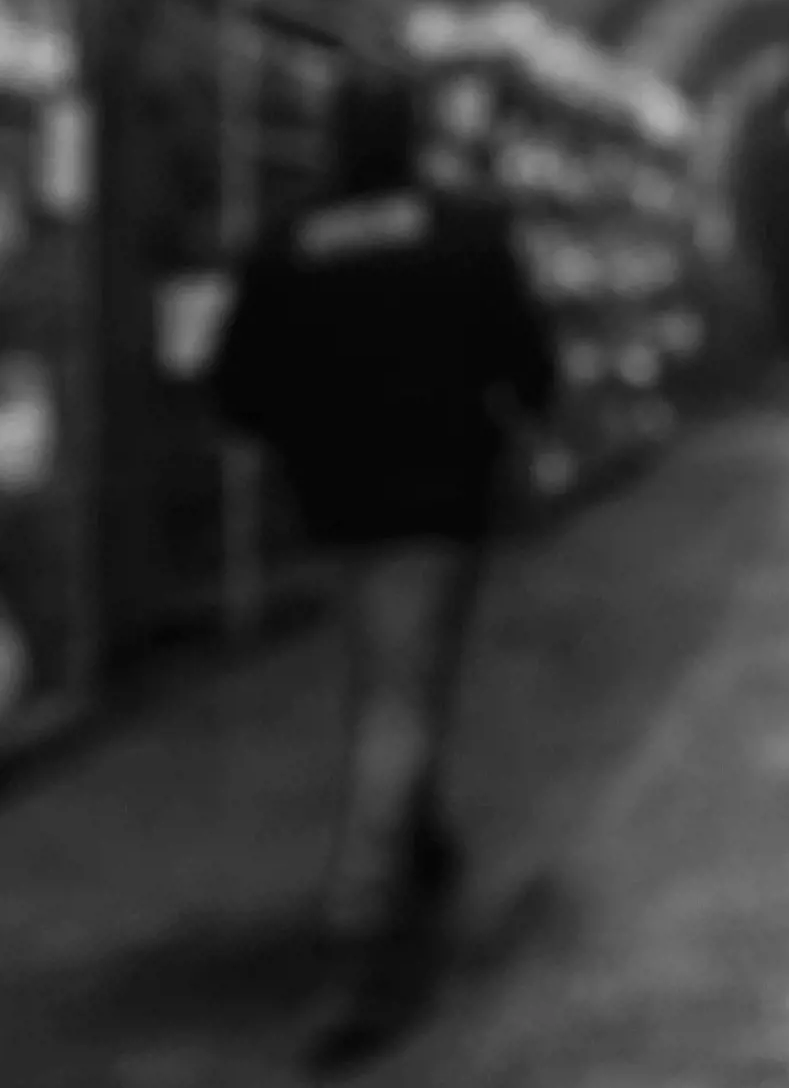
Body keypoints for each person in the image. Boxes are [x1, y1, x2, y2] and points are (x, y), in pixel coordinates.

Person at [207, 63, 557, 1070]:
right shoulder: (463, 229)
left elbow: (238, 384)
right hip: (439, 500)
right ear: (415, 135)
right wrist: (512, 418)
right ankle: (359, 941)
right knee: (400, 698)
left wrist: (307, 437)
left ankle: (422, 833)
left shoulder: (289, 241)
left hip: (336, 504)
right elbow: (525, 356)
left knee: (388, 674)